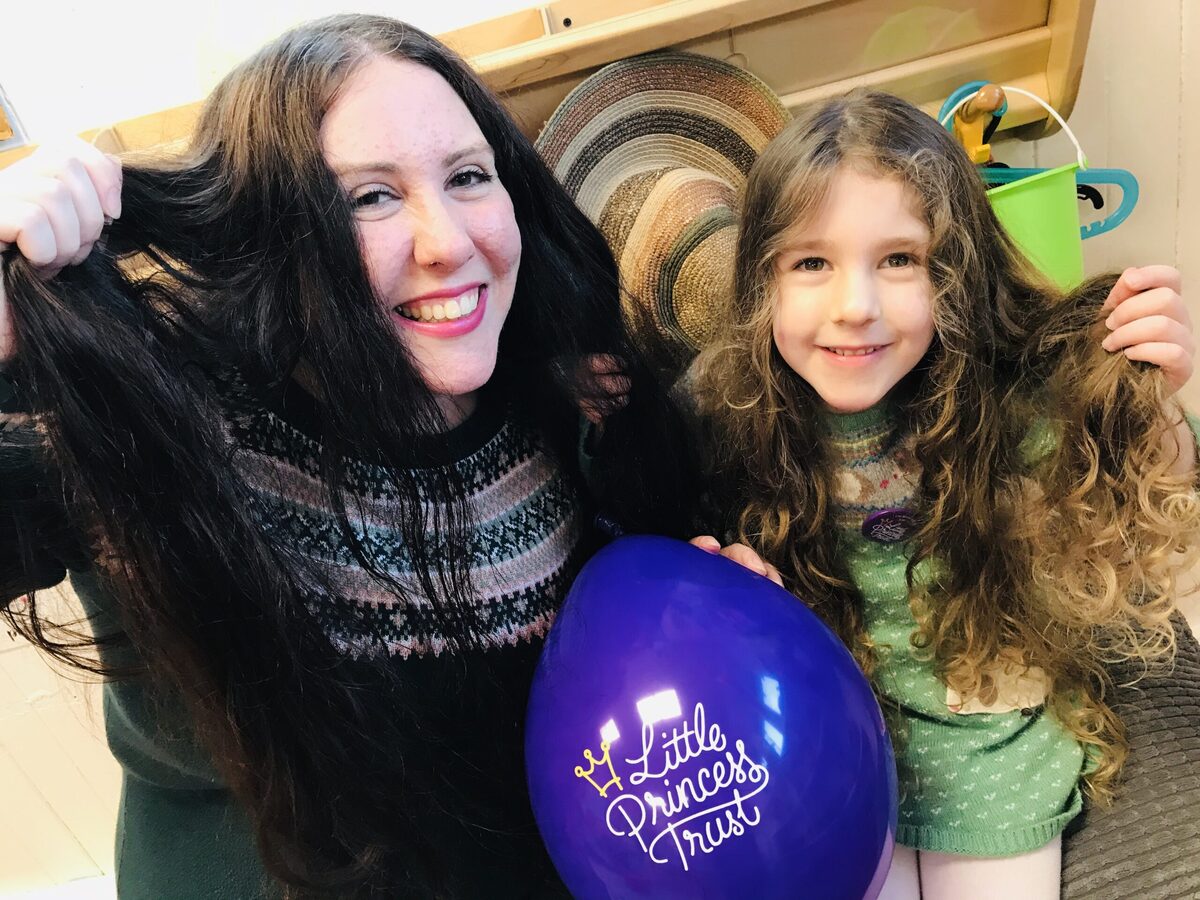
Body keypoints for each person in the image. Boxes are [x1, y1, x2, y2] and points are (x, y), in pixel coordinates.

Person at [0, 15, 765, 899]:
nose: (448, 242)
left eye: (469, 177)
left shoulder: (570, 400)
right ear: (266, 229)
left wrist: (708, 620)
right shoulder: (157, 427)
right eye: (368, 197)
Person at [688, 89, 1199, 898]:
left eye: (899, 259)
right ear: (762, 283)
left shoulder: (1010, 397)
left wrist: (1156, 393)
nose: (854, 307)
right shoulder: (727, 415)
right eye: (811, 262)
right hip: (835, 748)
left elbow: (1150, 504)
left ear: (955, 274)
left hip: (991, 744)